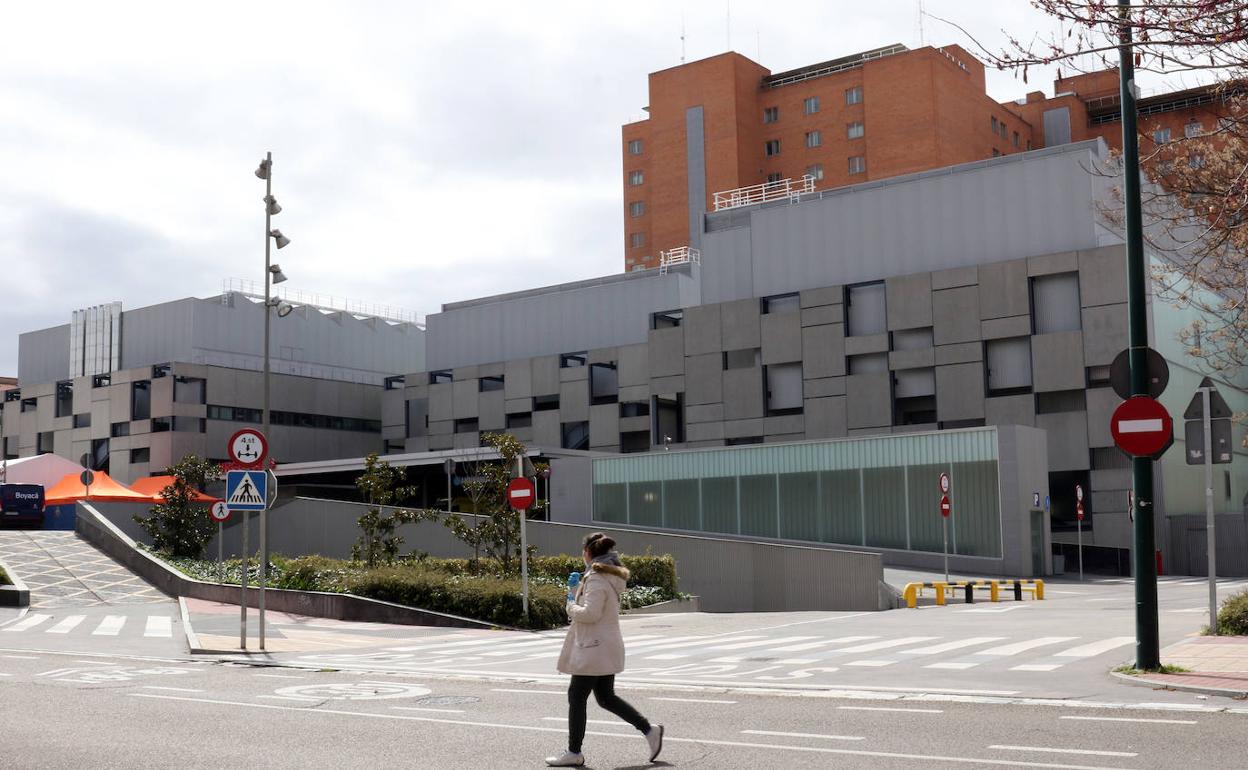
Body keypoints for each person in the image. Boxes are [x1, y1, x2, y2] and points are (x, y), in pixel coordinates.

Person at [545, 533, 664, 767]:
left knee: (577, 695)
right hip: (603, 647)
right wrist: (579, 586)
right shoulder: (605, 577)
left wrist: (570, 602)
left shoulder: (597, 579)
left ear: (588, 553)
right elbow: (598, 605)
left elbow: (590, 613)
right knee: (606, 698)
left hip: (593, 649)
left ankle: (574, 752)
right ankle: (649, 730)